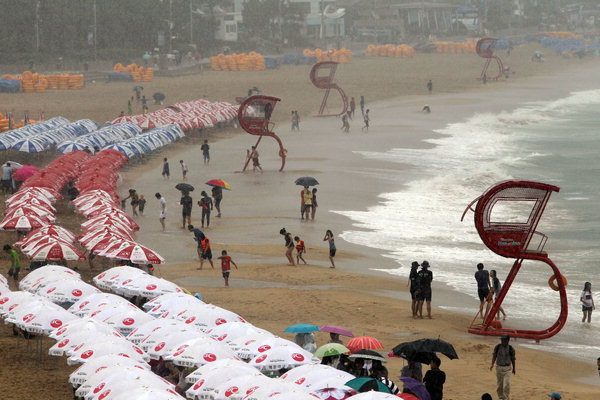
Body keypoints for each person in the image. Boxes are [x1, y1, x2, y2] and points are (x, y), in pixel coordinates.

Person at [490, 335, 516, 400]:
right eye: (501, 340)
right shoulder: (497, 347)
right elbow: (494, 356)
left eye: (504, 340)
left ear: (508, 341)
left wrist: (514, 368)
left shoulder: (511, 349)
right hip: (499, 368)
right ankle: (501, 397)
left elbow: (513, 359)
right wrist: (492, 364)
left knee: (507, 383)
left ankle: (506, 397)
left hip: (508, 368)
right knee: (499, 385)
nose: (502, 341)